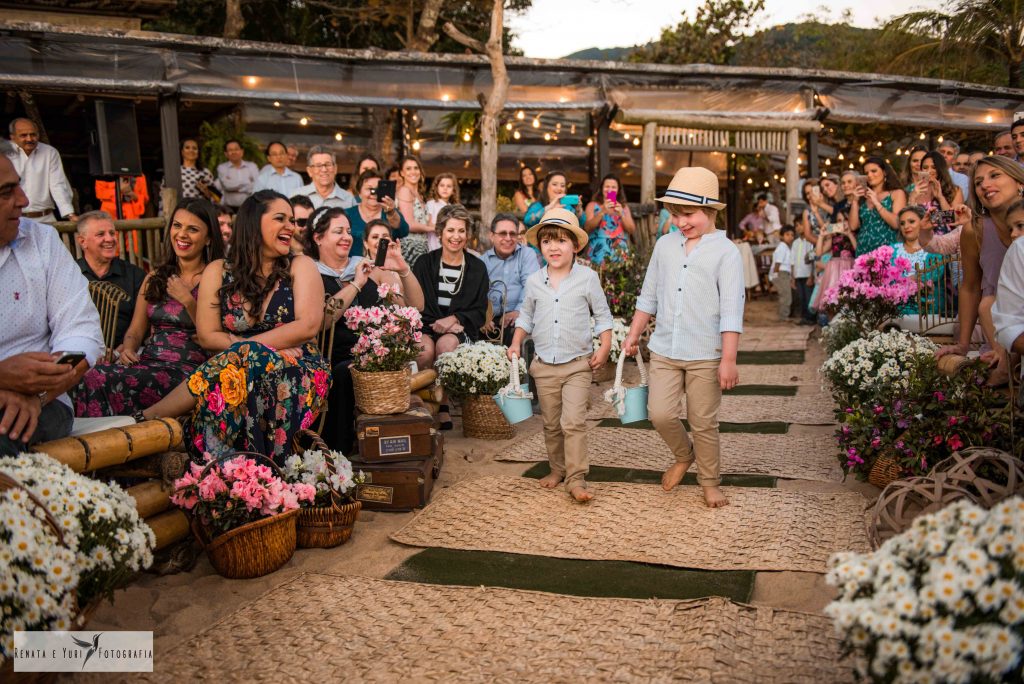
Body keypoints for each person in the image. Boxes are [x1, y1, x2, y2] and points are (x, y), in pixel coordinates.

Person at [139, 190, 329, 464]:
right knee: (239, 367)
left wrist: (251, 346)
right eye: (281, 218)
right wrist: (258, 348)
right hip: (234, 368)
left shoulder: (300, 265)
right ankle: (230, 469)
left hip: (298, 368)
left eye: (292, 220)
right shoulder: (219, 270)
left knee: (243, 361)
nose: (291, 226)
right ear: (254, 223)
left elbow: (308, 326)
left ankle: (155, 419)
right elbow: (207, 335)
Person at [622, 167, 744, 509]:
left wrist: (729, 360)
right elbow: (649, 296)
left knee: (703, 421)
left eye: (687, 214)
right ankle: (683, 455)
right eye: (675, 215)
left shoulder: (727, 253)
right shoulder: (665, 245)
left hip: (706, 353)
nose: (680, 222)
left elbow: (732, 311)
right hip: (664, 349)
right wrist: (633, 334)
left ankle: (709, 481)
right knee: (659, 413)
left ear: (711, 211)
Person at [71, 199, 224, 417]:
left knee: (101, 378)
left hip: (187, 370)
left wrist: (188, 300)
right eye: (177, 226)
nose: (182, 234)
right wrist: (130, 348)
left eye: (193, 229)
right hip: (149, 362)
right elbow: (135, 330)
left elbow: (213, 334)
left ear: (208, 238)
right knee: (89, 373)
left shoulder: (215, 277)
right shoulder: (155, 277)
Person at [0, 155, 103, 455]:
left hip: (45, 402)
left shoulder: (42, 241)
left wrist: (38, 393)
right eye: (6, 192)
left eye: (18, 185)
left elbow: (83, 335)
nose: (24, 199)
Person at [507, 208, 612, 502]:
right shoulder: (533, 281)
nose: (554, 247)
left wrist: (604, 346)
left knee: (573, 422)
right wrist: (516, 342)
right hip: (543, 367)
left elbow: (603, 316)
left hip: (578, 365)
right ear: (540, 246)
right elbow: (526, 316)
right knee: (551, 424)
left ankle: (576, 479)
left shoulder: (587, 278)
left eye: (561, 241)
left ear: (575, 245)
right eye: (547, 241)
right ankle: (557, 469)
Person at [306, 212, 424, 453]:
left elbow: (415, 306)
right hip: (332, 358)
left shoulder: (369, 267)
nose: (346, 237)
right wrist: (357, 284)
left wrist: (402, 269)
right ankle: (340, 451)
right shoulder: (311, 273)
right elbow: (322, 320)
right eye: (338, 232)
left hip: (376, 356)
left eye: (349, 232)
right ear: (318, 237)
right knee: (345, 372)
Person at [935, 156, 1024, 387]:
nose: (984, 185)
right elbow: (971, 287)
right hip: (998, 328)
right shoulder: (975, 230)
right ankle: (1005, 362)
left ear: (1019, 182)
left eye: (995, 175)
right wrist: (963, 345)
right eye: (978, 182)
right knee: (988, 304)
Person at [413, 203, 489, 430]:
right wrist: (439, 323)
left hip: (461, 329)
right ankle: (422, 405)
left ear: (468, 234)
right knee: (424, 351)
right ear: (440, 233)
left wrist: (455, 319)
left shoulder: (477, 267)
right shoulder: (424, 263)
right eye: (450, 230)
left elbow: (479, 309)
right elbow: (416, 303)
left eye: (461, 231)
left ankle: (443, 406)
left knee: (445, 347)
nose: (456, 237)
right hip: (426, 325)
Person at [74, 210, 146, 348]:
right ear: (82, 242)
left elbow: (144, 323)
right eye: (101, 234)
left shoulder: (135, 276)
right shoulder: (69, 275)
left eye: (112, 233)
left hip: (125, 353)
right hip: (80, 352)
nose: (110, 239)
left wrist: (126, 348)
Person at [481, 212, 540, 344]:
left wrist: (517, 311)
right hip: (491, 319)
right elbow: (477, 293)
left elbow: (531, 286)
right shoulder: (483, 261)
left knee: (516, 334)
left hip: (521, 315)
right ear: (492, 236)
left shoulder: (527, 254)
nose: (508, 238)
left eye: (513, 234)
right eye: (502, 233)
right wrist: (484, 316)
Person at [3, 118, 76, 223]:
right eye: (23, 135)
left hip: (46, 218)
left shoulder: (50, 152)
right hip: (13, 218)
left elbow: (58, 184)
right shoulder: (3, 153)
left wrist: (70, 214)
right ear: (12, 137)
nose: (29, 139)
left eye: (33, 134)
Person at [892, 207, 946, 315]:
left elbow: (935, 274)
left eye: (911, 221)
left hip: (927, 306)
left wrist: (910, 279)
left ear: (923, 222)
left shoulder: (935, 248)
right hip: (896, 306)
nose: (906, 226)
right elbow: (887, 279)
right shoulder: (892, 250)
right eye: (902, 223)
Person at [849, 157, 906, 256]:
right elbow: (853, 226)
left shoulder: (896, 193)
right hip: (863, 251)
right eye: (866, 173)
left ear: (884, 172)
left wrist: (877, 203)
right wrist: (854, 200)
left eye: (874, 171)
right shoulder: (863, 197)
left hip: (887, 251)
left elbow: (897, 223)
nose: (870, 175)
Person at [344, 170, 408, 256]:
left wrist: (391, 212)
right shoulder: (347, 214)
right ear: (359, 193)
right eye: (369, 189)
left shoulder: (390, 211)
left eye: (378, 189)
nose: (374, 193)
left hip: (384, 265)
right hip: (351, 266)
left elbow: (404, 231)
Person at [992, 201, 1024, 362]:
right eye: (1011, 229)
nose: (1013, 234)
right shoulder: (1020, 249)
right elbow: (1009, 327)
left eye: (1020, 226)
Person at [583, 173, 635, 265]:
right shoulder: (592, 205)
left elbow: (631, 230)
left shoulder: (624, 207)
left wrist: (622, 214)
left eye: (614, 187)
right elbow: (587, 227)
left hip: (620, 253)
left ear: (618, 190)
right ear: (602, 189)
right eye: (607, 186)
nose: (610, 190)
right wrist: (602, 211)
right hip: (598, 252)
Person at [908, 151, 964, 235]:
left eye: (934, 167)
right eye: (925, 167)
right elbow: (908, 220)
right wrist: (912, 199)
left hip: (946, 240)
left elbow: (954, 219)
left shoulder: (954, 190)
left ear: (940, 169)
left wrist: (941, 197)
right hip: (921, 240)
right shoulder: (914, 191)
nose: (929, 171)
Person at [812, 215, 857, 315]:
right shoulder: (833, 237)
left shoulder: (855, 234)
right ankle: (832, 327)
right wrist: (821, 236)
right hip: (834, 272)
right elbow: (819, 253)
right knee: (832, 301)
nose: (842, 223)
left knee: (848, 301)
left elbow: (858, 250)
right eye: (839, 221)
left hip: (849, 270)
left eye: (844, 220)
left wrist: (849, 234)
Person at [395, 155, 433, 267]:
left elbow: (424, 221)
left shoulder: (419, 194)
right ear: (402, 173)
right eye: (408, 168)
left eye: (416, 168)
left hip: (422, 246)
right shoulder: (404, 191)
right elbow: (409, 224)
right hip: (410, 246)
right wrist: (433, 229)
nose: (413, 171)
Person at [295, 145, 355, 210]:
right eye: (318, 165)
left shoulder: (349, 200)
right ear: (309, 171)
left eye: (328, 164)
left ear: (335, 168)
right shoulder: (296, 196)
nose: (324, 169)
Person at [214, 139, 259, 211]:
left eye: (236, 149)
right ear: (226, 154)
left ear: (242, 151)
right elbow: (227, 186)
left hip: (249, 208)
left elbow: (257, 186)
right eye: (230, 150)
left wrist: (237, 188)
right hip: (228, 208)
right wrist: (248, 183)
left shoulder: (252, 166)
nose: (234, 152)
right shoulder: (222, 167)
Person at [425, 172, 460, 251]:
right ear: (436, 188)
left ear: (453, 190)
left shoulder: (453, 207)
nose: (445, 188)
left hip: (450, 244)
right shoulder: (431, 204)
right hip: (434, 244)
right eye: (442, 185)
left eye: (449, 186)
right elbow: (428, 224)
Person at [790, 225, 816, 324]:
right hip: (798, 274)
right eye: (796, 225)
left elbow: (813, 260)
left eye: (801, 225)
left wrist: (811, 276)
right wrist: (792, 277)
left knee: (809, 297)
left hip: (807, 274)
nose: (798, 228)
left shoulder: (811, 242)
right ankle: (804, 318)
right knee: (801, 297)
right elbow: (792, 260)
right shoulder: (795, 243)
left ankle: (810, 318)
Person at [770, 225, 796, 321]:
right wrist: (776, 275)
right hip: (781, 273)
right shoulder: (782, 247)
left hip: (784, 273)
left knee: (785, 295)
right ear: (781, 236)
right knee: (786, 296)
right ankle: (783, 316)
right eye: (787, 234)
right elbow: (777, 263)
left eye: (792, 235)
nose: (790, 237)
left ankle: (784, 315)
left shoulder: (786, 247)